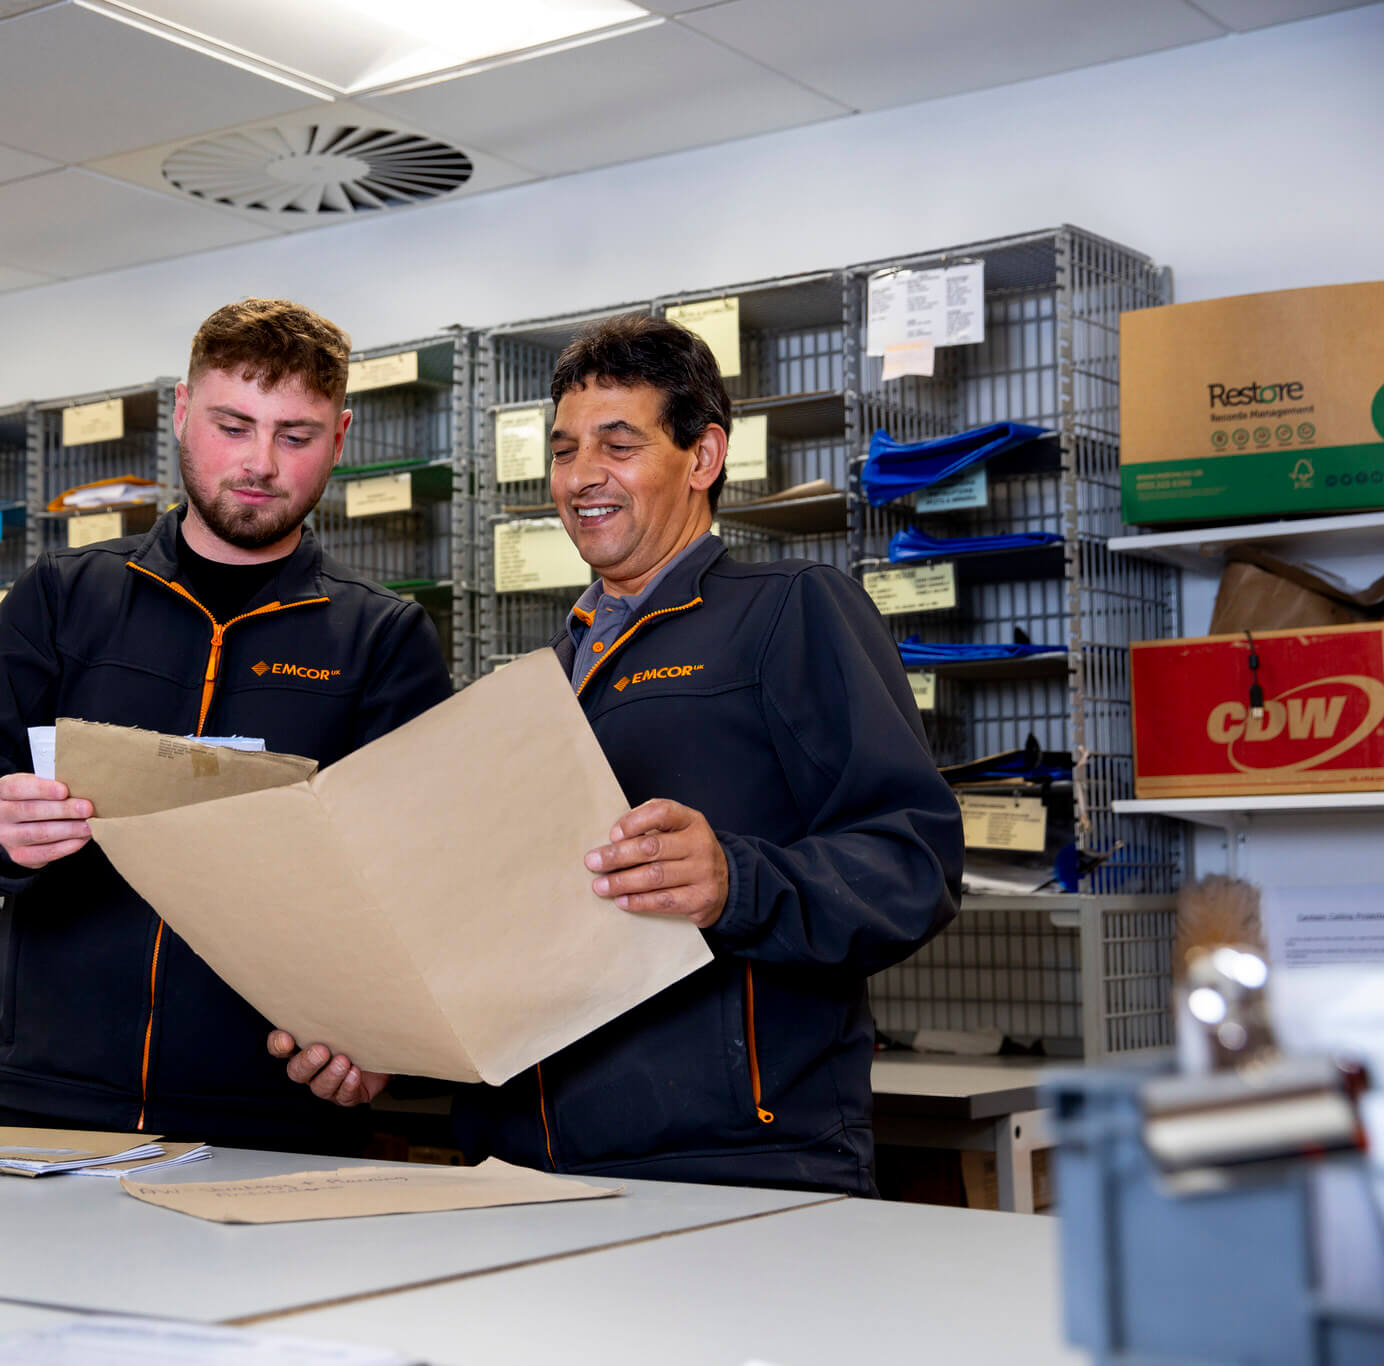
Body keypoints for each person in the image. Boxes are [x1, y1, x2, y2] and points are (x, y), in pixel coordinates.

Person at [278, 313, 961, 1194]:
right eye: (564, 450)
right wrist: (389, 1044)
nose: (581, 477)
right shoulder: (543, 675)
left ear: (704, 457)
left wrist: (735, 883)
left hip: (729, 1161)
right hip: (521, 1158)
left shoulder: (790, 610)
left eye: (618, 444)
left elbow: (916, 860)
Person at [0, 298, 452, 1153]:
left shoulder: (382, 636)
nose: (260, 463)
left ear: (340, 440)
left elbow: (419, 875)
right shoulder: (65, 597)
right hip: (45, 1103)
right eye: (233, 425)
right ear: (181, 414)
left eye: (296, 436)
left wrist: (379, 1039)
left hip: (273, 1120)